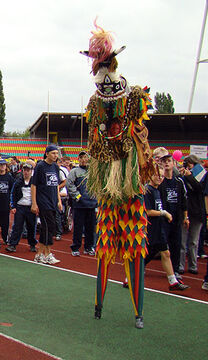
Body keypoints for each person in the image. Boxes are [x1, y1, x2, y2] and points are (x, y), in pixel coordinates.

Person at [81, 22, 155, 328]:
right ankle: (99, 303)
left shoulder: (135, 97)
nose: (103, 72)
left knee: (134, 248)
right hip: (108, 194)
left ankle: (138, 310)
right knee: (104, 248)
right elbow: (95, 138)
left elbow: (141, 129)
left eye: (105, 64)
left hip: (130, 191)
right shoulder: (96, 104)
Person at [144, 165, 189, 291]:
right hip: (150, 229)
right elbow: (147, 211)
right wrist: (163, 213)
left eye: (162, 176)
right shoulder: (148, 191)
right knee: (145, 255)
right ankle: (129, 276)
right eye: (157, 175)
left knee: (165, 253)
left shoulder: (158, 191)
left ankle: (172, 281)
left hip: (159, 228)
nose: (160, 178)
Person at [158, 149, 188, 279]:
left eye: (169, 161)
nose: (167, 164)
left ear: (174, 163)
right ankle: (143, 265)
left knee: (176, 244)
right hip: (163, 218)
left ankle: (175, 270)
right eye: (164, 161)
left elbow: (184, 201)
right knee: (159, 244)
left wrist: (185, 217)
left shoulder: (179, 182)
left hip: (176, 218)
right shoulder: (160, 182)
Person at [31, 145, 62, 265]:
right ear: (47, 153)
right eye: (53, 153)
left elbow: (56, 185)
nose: (55, 156)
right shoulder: (40, 166)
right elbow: (34, 185)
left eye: (57, 153)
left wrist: (58, 200)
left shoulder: (55, 167)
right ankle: (47, 253)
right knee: (49, 226)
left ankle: (39, 254)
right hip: (43, 202)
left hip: (53, 201)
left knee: (48, 228)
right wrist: (34, 203)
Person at [66, 151, 97, 256]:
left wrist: (96, 199)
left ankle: (89, 247)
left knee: (91, 227)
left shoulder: (94, 172)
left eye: (86, 157)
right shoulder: (74, 171)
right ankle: (75, 247)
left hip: (91, 204)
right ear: (78, 159)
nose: (84, 159)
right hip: (79, 205)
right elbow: (69, 184)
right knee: (78, 227)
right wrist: (77, 197)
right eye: (82, 157)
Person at [179, 155, 205, 274]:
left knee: (194, 242)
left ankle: (193, 265)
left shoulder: (202, 174)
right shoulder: (182, 176)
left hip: (197, 212)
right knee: (182, 241)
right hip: (185, 211)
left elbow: (199, 189)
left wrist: (189, 177)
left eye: (188, 163)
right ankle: (180, 265)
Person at [6, 162, 37, 253]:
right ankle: (13, 244)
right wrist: (13, 206)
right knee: (17, 227)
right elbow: (13, 194)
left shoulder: (34, 182)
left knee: (31, 227)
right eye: (25, 170)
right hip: (20, 207)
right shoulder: (18, 182)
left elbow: (37, 195)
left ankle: (32, 244)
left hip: (30, 208)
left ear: (31, 171)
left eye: (28, 170)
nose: (26, 172)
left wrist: (36, 205)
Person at [0, 158, 14, 245]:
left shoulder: (9, 177)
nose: (2, 166)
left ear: (6, 166)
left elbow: (13, 190)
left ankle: (5, 239)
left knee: (5, 223)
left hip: (5, 203)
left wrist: (11, 202)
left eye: (4, 165)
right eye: (0, 165)